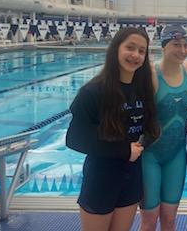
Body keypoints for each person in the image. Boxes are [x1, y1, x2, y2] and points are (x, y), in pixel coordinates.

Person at [66, 27, 159, 231]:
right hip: (101, 179)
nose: (135, 55)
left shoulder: (142, 90)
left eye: (141, 51)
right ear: (116, 48)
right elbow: (74, 138)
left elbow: (152, 128)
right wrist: (124, 151)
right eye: (130, 47)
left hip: (131, 178)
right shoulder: (93, 91)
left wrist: (141, 144)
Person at [140, 25, 187, 231]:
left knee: (170, 218)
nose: (182, 50)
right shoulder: (150, 74)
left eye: (186, 45)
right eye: (176, 45)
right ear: (163, 46)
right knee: (149, 219)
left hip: (176, 155)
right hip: (150, 155)